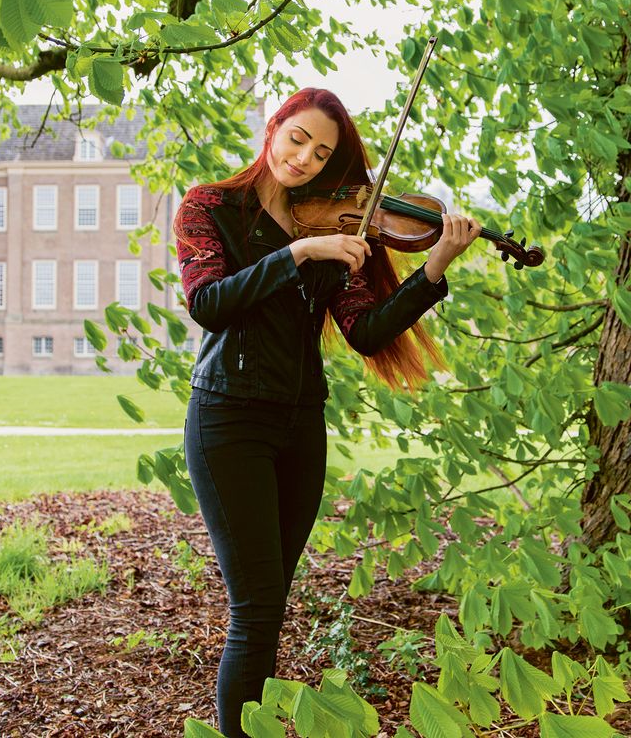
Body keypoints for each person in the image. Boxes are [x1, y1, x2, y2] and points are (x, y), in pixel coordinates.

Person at [174, 87, 482, 737]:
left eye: (321, 153)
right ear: (274, 126)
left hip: (299, 426)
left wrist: (434, 267)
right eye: (298, 139)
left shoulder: (338, 226)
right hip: (228, 420)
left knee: (270, 607)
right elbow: (209, 304)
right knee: (255, 609)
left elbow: (366, 331)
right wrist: (297, 255)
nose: (305, 158)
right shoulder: (209, 207)